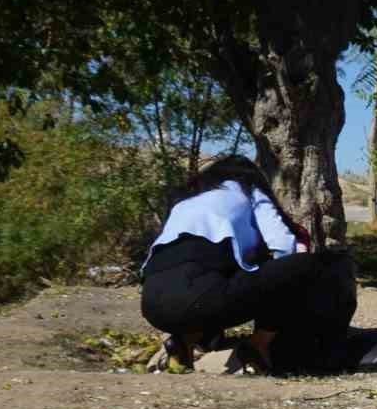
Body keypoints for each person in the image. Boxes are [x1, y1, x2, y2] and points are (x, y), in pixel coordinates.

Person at [140, 155, 350, 374]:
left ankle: (182, 343)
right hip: (199, 300)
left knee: (205, 283)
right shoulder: (247, 188)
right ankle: (257, 346)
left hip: (152, 306)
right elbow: (283, 245)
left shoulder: (187, 201)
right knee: (306, 266)